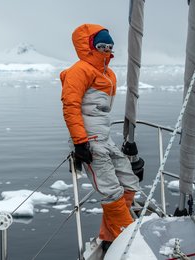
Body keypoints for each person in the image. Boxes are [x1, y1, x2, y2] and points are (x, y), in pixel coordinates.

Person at [60, 24, 140, 250]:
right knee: (111, 189)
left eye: (110, 47)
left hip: (105, 139)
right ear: (89, 46)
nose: (106, 51)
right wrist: (80, 142)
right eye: (101, 46)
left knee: (129, 182)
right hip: (90, 140)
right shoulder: (80, 70)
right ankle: (128, 238)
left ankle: (110, 236)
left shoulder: (107, 73)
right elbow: (71, 106)